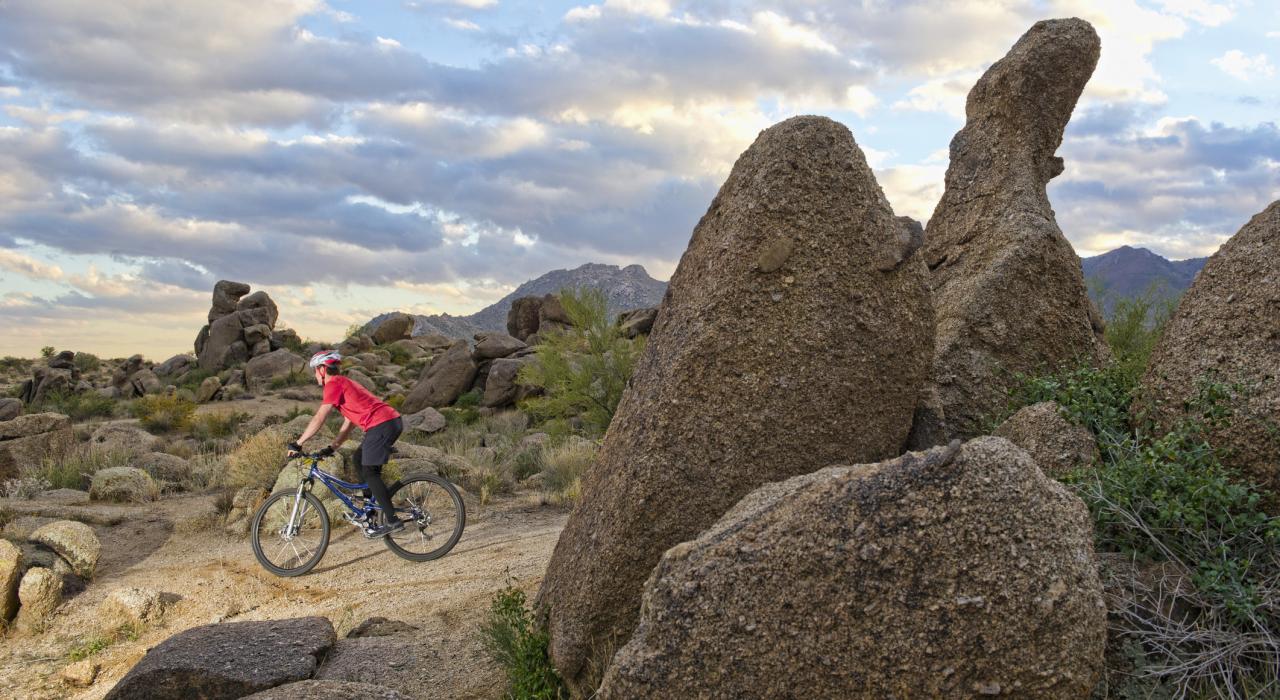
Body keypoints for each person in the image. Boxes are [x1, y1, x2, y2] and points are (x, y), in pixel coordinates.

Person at [288, 349, 405, 537]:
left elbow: (319, 417)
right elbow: (349, 421)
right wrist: (333, 446)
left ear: (322, 369)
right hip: (388, 422)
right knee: (359, 459)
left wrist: (299, 443)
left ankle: (392, 521)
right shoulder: (344, 382)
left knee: (370, 471)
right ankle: (369, 513)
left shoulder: (333, 384)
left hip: (382, 424)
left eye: (315, 370)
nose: (315, 375)